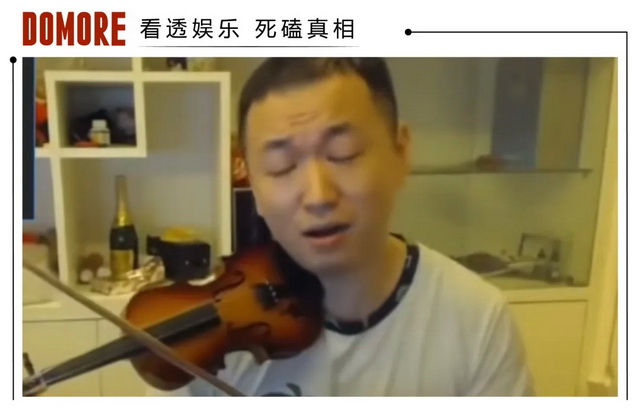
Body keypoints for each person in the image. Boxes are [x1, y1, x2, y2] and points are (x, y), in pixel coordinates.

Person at [151, 57, 534, 397]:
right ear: (252, 184)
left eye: (344, 154)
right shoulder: (210, 339)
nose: (318, 195)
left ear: (401, 153)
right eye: (282, 167)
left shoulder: (476, 319)